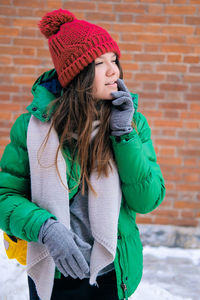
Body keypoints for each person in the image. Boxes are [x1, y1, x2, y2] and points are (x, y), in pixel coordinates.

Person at [0, 8, 165, 300]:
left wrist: (123, 134)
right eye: (100, 63)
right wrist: (45, 229)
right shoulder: (31, 127)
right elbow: (5, 196)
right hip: (54, 274)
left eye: (114, 59)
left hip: (112, 275)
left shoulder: (131, 122)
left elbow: (147, 199)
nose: (114, 70)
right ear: (78, 74)